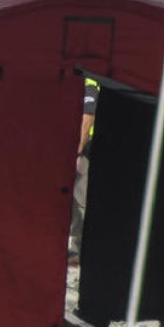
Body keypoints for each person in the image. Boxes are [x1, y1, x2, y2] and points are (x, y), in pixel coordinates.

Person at [69, 76, 99, 264]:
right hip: (83, 145)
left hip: (87, 147)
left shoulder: (91, 84)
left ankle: (77, 249)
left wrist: (78, 150)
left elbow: (88, 116)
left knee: (80, 199)